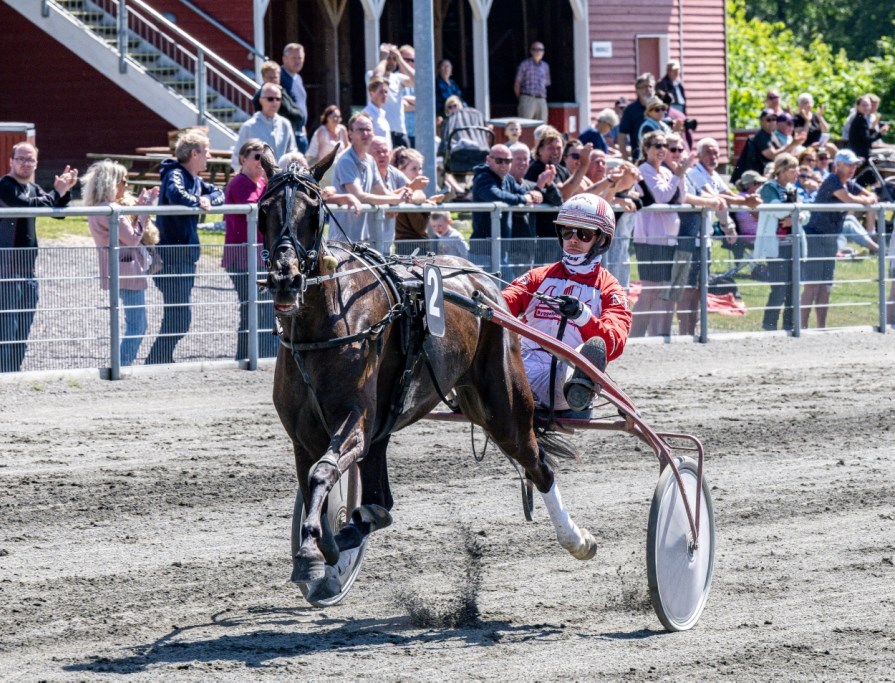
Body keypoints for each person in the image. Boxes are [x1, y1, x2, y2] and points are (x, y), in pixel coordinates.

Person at [502, 194, 632, 413]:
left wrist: (583, 316)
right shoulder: (538, 277)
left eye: (584, 234)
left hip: (566, 371)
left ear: (601, 240)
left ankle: (580, 388)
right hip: (521, 365)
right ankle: (470, 388)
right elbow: (505, 302)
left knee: (591, 351)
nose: (573, 239)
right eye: (567, 231)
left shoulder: (610, 289)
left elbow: (613, 344)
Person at [145, 131, 224, 365]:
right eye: (206, 151)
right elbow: (175, 194)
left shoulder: (196, 181)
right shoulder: (175, 174)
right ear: (194, 153)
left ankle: (159, 359)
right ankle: (156, 360)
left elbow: (219, 193)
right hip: (171, 256)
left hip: (185, 256)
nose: (209, 156)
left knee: (178, 315)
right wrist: (197, 202)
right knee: (179, 316)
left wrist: (206, 201)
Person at [0, 142, 77, 372]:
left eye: (30, 159)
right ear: (11, 161)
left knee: (23, 329)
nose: (26, 163)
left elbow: (57, 213)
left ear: (36, 163)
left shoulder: (33, 187)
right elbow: (25, 206)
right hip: (6, 272)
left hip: (28, 272)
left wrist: (66, 189)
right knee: (7, 329)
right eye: (21, 158)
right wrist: (56, 193)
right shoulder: (5, 186)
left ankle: (13, 373)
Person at [81, 160, 157, 366]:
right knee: (138, 325)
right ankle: (121, 365)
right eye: (124, 180)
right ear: (112, 182)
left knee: (134, 323)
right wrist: (145, 210)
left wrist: (140, 207)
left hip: (118, 268)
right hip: (127, 270)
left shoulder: (98, 208)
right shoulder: (110, 210)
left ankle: (121, 363)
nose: (126, 185)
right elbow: (132, 238)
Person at [801, 149, 877, 329]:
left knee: (826, 285)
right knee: (812, 285)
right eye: (849, 164)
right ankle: (801, 327)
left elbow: (871, 195)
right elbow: (850, 199)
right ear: (838, 165)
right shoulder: (832, 181)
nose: (853, 168)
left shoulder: (848, 183)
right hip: (816, 236)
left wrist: (868, 198)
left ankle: (821, 326)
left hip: (830, 238)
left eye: (854, 164)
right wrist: (866, 201)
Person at [222, 139, 277, 361]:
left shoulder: (263, 184)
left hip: (258, 257)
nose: (261, 162)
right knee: (251, 309)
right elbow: (256, 210)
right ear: (243, 159)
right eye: (257, 157)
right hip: (242, 258)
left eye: (264, 158)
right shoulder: (240, 183)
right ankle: (249, 356)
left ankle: (259, 354)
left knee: (262, 309)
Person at [630, 131, 683, 337]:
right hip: (650, 239)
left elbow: (680, 198)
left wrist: (680, 174)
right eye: (657, 145)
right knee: (650, 290)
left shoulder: (667, 172)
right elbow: (661, 198)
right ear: (646, 148)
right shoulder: (644, 169)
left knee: (661, 290)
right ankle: (634, 337)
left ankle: (655, 336)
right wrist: (679, 174)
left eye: (664, 146)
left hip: (667, 238)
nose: (662, 149)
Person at [331, 113, 410, 243]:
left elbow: (383, 192)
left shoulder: (370, 160)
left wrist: (397, 200)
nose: (366, 134)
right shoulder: (346, 161)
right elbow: (359, 196)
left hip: (363, 240)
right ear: (350, 133)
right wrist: (395, 199)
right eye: (361, 130)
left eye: (368, 130)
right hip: (342, 240)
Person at [471, 144, 542, 269]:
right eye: (499, 161)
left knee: (505, 286)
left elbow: (521, 191)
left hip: (500, 249)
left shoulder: (508, 178)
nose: (504, 164)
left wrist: (532, 193)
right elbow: (494, 194)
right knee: (506, 285)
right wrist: (523, 199)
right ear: (488, 160)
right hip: (482, 250)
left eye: (508, 161)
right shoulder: (483, 177)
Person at [753, 154, 800, 332]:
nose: (796, 172)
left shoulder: (792, 188)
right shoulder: (768, 188)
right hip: (775, 247)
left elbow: (806, 213)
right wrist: (795, 213)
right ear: (781, 170)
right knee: (779, 289)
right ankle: (769, 326)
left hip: (793, 246)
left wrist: (794, 219)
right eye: (792, 169)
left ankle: (790, 325)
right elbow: (778, 211)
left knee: (793, 289)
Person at [231, 82, 297, 171]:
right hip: (257, 179)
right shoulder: (249, 126)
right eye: (270, 99)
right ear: (261, 100)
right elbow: (238, 156)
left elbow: (292, 152)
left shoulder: (285, 124)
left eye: (278, 99)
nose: (275, 102)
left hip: (281, 180)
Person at [730, 109, 806, 185]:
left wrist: (796, 145)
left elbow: (784, 154)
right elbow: (773, 155)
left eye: (774, 119)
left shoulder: (772, 135)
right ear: (761, 121)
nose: (772, 122)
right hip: (751, 180)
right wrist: (792, 144)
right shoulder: (761, 136)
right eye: (768, 120)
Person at [371, 43, 414, 149]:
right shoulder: (370, 74)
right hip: (381, 132)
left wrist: (400, 59)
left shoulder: (398, 78)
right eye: (388, 58)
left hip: (399, 132)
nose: (391, 61)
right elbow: (377, 77)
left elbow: (417, 81)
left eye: (393, 58)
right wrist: (383, 59)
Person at [251, 60, 305, 138]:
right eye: (270, 77)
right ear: (263, 78)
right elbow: (287, 110)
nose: (273, 80)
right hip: (272, 135)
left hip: (291, 133)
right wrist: (298, 114)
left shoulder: (281, 91)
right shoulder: (260, 96)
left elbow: (298, 111)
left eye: (275, 77)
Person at [618, 73, 655, 162]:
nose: (648, 89)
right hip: (640, 158)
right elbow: (622, 135)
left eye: (650, 86)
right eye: (644, 87)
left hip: (660, 157)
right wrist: (625, 159)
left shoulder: (659, 108)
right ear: (637, 90)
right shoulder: (630, 110)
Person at [280, 43, 309, 152]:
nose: (297, 61)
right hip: (288, 134)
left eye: (300, 58)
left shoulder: (298, 78)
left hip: (300, 132)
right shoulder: (280, 77)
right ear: (284, 59)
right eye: (294, 58)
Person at [847, 95, 890, 165]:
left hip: (863, 151)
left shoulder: (861, 119)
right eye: (863, 105)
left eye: (868, 105)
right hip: (861, 154)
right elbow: (867, 140)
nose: (866, 108)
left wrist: (872, 128)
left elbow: (865, 136)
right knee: (891, 153)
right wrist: (880, 133)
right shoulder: (860, 120)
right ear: (857, 106)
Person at [514, 41, 551, 122]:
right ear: (531, 51)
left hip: (541, 99)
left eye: (541, 50)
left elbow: (546, 83)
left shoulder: (545, 66)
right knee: (526, 124)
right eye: (535, 49)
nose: (538, 52)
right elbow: (517, 83)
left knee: (542, 126)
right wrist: (521, 99)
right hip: (528, 98)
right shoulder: (524, 64)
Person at [363, 77, 392, 145]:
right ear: (371, 94)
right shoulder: (367, 114)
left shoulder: (382, 114)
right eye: (381, 92)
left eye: (386, 92)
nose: (384, 95)